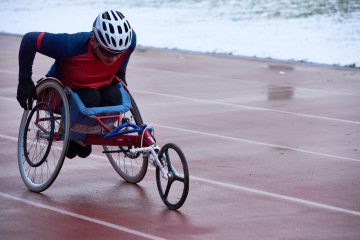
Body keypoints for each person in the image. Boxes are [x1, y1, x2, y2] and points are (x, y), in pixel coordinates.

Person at [16, 10, 137, 159]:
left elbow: (126, 53)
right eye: (107, 53)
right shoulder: (69, 45)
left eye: (118, 54)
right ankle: (76, 137)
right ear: (94, 42)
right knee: (91, 97)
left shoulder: (130, 41)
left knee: (115, 96)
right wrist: (24, 80)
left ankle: (84, 136)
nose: (113, 59)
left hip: (101, 86)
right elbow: (30, 40)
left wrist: (120, 73)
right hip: (67, 92)